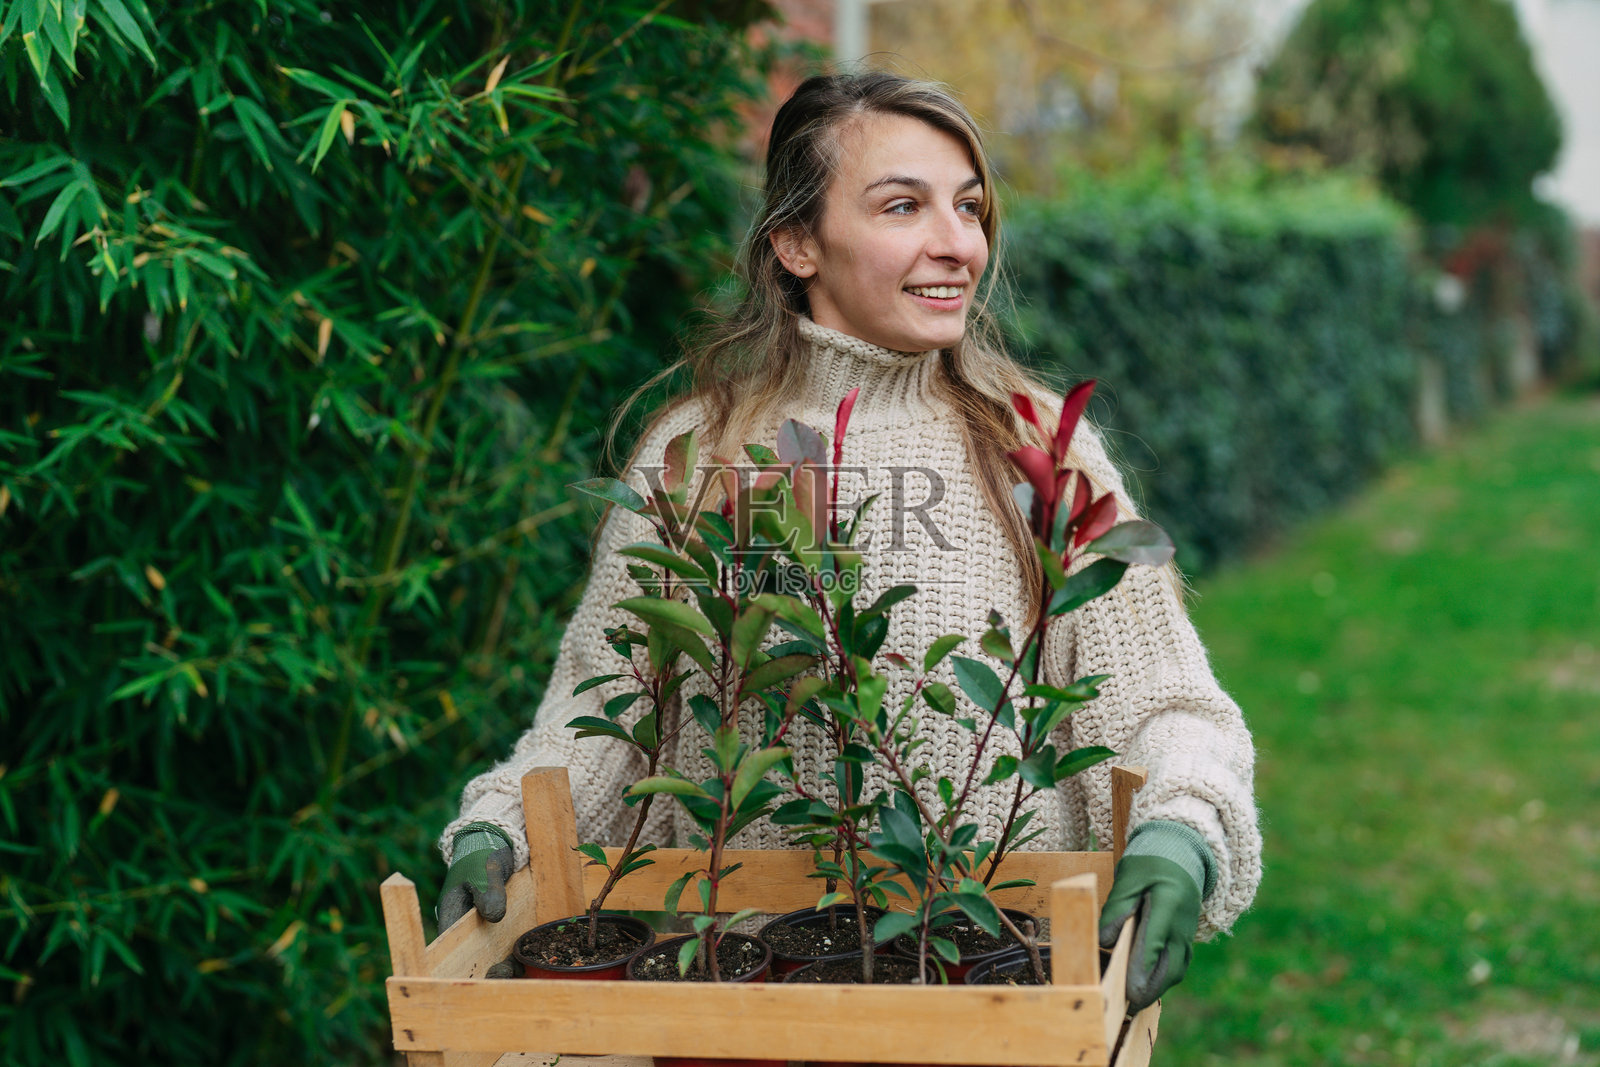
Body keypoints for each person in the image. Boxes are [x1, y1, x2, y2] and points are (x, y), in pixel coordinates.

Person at [436, 71, 1261, 1008]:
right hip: (741, 1002)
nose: (958, 245)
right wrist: (499, 820)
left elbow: (1167, 701)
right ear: (796, 242)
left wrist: (1182, 826)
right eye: (904, 206)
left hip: (1000, 990)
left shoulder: (1038, 446)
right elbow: (614, 710)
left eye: (971, 207)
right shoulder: (699, 454)